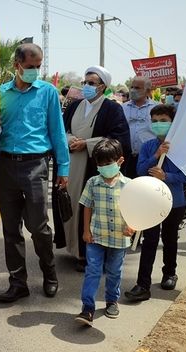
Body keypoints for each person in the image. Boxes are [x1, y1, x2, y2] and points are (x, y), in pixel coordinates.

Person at [0, 43, 68, 303]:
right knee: (11, 229)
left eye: (38, 66)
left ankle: (49, 273)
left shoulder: (48, 92)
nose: (34, 71)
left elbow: (57, 132)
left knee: (38, 226)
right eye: (30, 66)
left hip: (36, 166)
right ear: (16, 65)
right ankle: (18, 282)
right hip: (7, 166)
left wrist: (63, 168)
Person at [59, 66, 131, 272]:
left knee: (91, 208)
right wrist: (70, 139)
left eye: (92, 83)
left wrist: (88, 144)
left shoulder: (112, 109)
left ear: (102, 87)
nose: (87, 86)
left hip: (94, 167)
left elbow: (120, 139)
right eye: (85, 82)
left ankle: (89, 253)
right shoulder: (74, 106)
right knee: (71, 205)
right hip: (72, 165)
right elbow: (62, 129)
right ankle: (74, 248)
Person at [124, 105, 186, 302]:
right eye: (155, 121)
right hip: (150, 201)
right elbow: (141, 169)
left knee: (170, 238)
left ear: (173, 122)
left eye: (163, 120)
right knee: (149, 240)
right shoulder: (148, 146)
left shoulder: (182, 148)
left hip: (174, 202)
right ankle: (142, 285)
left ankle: (170, 273)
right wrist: (156, 155)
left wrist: (166, 175)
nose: (159, 124)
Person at [75, 139, 134, 326]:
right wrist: (86, 230)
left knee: (114, 271)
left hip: (119, 238)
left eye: (108, 163)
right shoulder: (93, 182)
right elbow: (87, 206)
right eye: (99, 164)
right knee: (92, 271)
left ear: (120, 161)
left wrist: (133, 227)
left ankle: (111, 301)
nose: (103, 167)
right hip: (96, 236)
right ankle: (87, 308)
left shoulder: (129, 185)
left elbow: (137, 210)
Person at [121, 76, 157, 179]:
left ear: (148, 91)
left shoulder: (157, 108)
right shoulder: (122, 107)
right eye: (131, 87)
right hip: (126, 157)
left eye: (137, 88)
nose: (132, 90)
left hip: (148, 159)